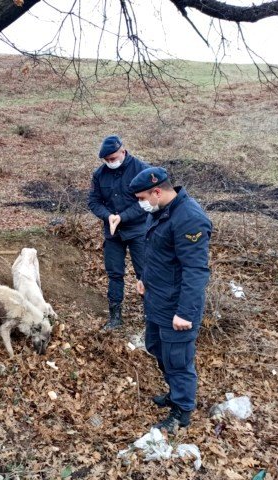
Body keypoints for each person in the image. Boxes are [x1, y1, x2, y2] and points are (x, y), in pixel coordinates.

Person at [129, 166, 212, 433]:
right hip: (157, 300)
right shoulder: (160, 211)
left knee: (178, 360)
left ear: (156, 192)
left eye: (142, 198)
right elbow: (157, 253)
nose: (140, 204)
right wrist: (143, 278)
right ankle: (175, 392)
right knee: (156, 347)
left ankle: (182, 411)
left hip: (177, 307)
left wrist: (185, 313)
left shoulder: (189, 219)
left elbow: (196, 270)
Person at [88, 135, 150, 330]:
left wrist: (122, 217)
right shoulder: (100, 174)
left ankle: (151, 315)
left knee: (145, 273)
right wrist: (108, 217)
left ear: (123, 151)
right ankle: (115, 317)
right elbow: (94, 201)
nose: (110, 163)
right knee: (114, 274)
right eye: (106, 160)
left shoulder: (142, 170)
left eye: (113, 159)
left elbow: (147, 202)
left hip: (139, 230)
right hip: (113, 233)